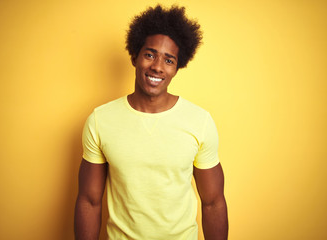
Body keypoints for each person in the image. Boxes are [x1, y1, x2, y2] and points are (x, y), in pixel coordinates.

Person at [74, 4, 228, 240]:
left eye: (169, 60)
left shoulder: (200, 121)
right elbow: (89, 200)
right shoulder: (100, 120)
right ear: (134, 56)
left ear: (177, 67)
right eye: (150, 54)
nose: (157, 66)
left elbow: (213, 202)